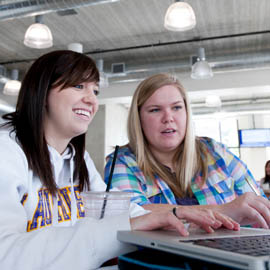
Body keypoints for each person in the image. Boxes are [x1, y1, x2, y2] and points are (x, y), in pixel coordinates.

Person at [0, 52, 239, 270]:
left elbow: (113, 208)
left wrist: (180, 218)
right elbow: (6, 255)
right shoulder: (6, 150)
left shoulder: (76, 157)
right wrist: (130, 225)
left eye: (95, 91)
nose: (91, 100)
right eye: (78, 86)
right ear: (42, 92)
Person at [105, 73, 270, 229]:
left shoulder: (215, 151)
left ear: (186, 113)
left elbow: (259, 207)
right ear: (138, 119)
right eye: (155, 110)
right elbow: (132, 216)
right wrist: (225, 211)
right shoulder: (121, 162)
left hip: (234, 253)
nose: (168, 118)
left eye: (176, 107)